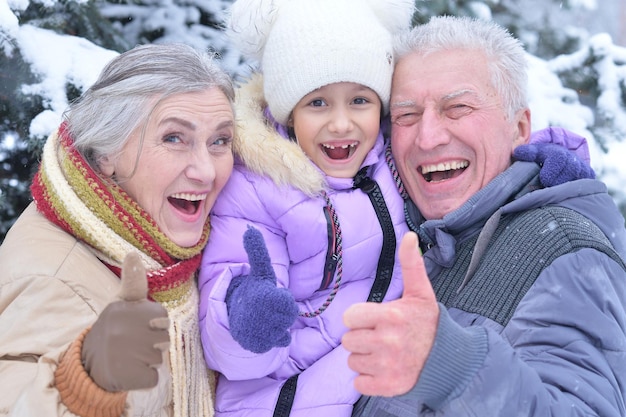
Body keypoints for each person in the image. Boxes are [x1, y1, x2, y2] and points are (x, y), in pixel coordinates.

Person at [197, 2, 594, 417]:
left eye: (359, 101)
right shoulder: (260, 189)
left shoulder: (387, 159)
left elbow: (481, 139)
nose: (340, 123)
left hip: (363, 385)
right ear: (288, 111)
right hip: (281, 401)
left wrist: (542, 159)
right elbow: (230, 331)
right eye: (316, 103)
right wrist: (244, 316)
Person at [342, 16, 626, 417]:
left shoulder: (561, 250)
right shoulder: (398, 238)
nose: (428, 136)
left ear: (520, 127)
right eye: (406, 115)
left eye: (457, 107)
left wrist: (458, 369)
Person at [0, 43, 235, 417]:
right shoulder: (53, 278)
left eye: (220, 140)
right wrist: (90, 385)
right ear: (107, 152)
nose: (206, 170)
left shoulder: (189, 250)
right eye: (174, 138)